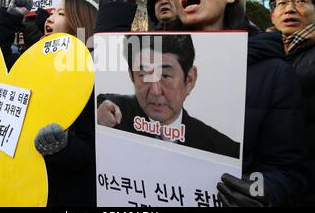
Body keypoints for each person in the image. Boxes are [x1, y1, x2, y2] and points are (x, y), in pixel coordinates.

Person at [96, 0, 307, 207]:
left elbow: (286, 170)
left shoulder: (274, 73)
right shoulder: (113, 107)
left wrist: (262, 191)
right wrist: (115, 11)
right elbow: (103, 70)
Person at [0, 0, 97, 207]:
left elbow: (91, 150)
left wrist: (62, 146)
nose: (49, 19)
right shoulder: (34, 65)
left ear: (80, 25)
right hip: (17, 184)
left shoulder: (90, 74)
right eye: (51, 13)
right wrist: (11, 19)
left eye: (60, 14)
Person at [97, 34, 240, 158]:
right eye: (144, 76)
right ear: (131, 75)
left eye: (165, 76)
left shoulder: (223, 150)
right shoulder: (111, 116)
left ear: (189, 79)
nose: (155, 91)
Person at [269, 0, 315, 206]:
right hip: (277, 184)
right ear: (272, 14)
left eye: (301, 1)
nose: (290, 9)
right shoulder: (262, 54)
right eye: (282, 3)